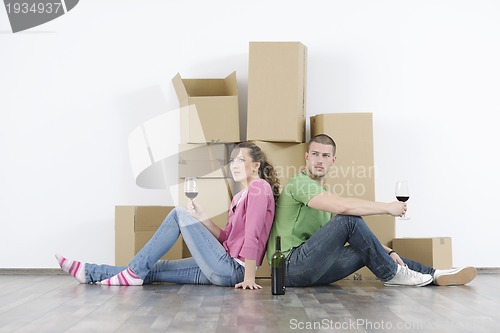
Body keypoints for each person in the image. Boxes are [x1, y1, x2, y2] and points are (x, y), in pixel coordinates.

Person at [57, 142, 280, 290]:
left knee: (178, 214)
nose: (235, 165)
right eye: (232, 161)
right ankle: (89, 272)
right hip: (222, 264)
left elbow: (252, 235)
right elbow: (227, 239)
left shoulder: (259, 188)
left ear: (256, 165)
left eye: (241, 160)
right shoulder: (240, 196)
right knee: (155, 268)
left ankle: (132, 272)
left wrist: (249, 278)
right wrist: (204, 219)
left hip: (234, 270)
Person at [266, 134, 477, 287]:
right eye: (315, 154)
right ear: (306, 157)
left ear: (333, 160)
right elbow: (343, 208)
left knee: (368, 248)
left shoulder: (324, 192)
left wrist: (390, 251)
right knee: (349, 219)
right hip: (288, 268)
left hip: (313, 269)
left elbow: (362, 240)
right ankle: (392, 274)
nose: (319, 160)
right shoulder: (299, 184)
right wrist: (387, 208)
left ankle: (434, 274)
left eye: (325, 155)